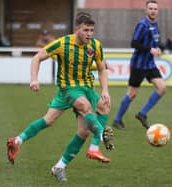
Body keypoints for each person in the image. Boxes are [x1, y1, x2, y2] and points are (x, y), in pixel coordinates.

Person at [7, 12, 112, 183]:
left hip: (86, 88)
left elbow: (101, 69)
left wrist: (105, 90)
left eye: (92, 30)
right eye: (86, 30)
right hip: (67, 89)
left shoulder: (95, 45)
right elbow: (37, 57)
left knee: (69, 123)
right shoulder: (63, 43)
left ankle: (53, 163)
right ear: (76, 29)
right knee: (86, 107)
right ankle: (100, 137)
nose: (89, 34)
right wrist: (34, 79)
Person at [112, 0, 166, 130]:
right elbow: (134, 43)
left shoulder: (156, 24)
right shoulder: (142, 25)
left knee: (162, 88)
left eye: (155, 9)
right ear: (146, 10)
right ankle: (117, 120)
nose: (153, 11)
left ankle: (142, 114)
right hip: (138, 65)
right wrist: (150, 49)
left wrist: (158, 49)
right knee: (132, 93)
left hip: (150, 65)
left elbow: (155, 42)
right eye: (151, 8)